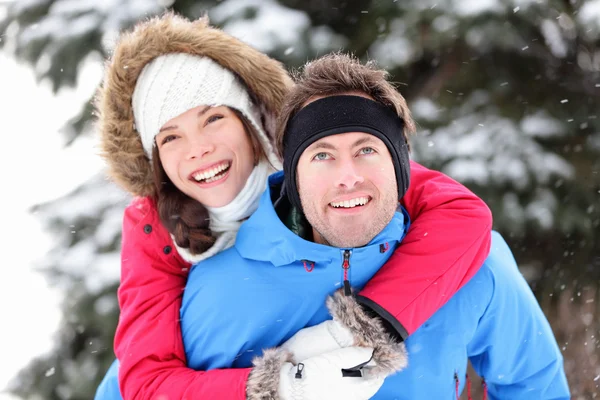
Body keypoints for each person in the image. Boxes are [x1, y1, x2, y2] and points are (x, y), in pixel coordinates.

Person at [94, 13, 493, 399]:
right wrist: (280, 387)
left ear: (251, 123)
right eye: (170, 138)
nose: (199, 149)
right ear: (156, 159)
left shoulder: (315, 164)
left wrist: (357, 327)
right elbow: (146, 382)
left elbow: (461, 213)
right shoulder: (154, 230)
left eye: (213, 118)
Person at [179, 53, 571, 399]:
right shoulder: (219, 291)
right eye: (322, 155)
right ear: (294, 178)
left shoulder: (474, 263)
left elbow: (533, 383)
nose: (348, 177)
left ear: (401, 168)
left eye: (366, 149)